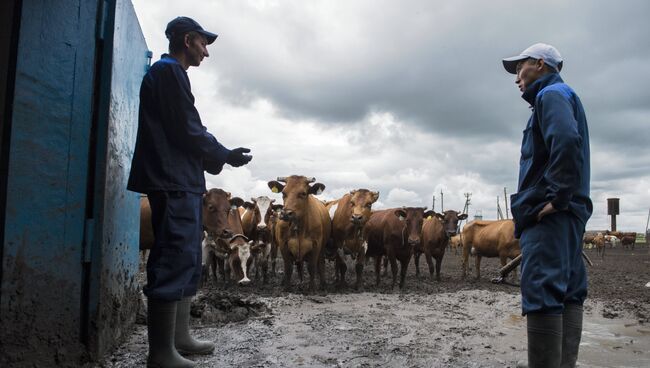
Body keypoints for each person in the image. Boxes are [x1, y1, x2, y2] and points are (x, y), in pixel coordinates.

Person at [127, 16, 252, 368]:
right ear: (187, 40)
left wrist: (212, 159)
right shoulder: (168, 73)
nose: (206, 52)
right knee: (171, 255)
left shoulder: (170, 75)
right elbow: (187, 127)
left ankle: (178, 337)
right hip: (172, 179)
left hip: (180, 178)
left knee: (184, 255)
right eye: (203, 44)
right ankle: (161, 353)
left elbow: (185, 129)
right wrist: (222, 154)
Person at [503, 43, 592, 368]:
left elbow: (566, 140)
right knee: (568, 292)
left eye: (519, 68)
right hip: (570, 220)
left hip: (550, 220)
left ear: (540, 64)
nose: (516, 78)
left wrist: (556, 198)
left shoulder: (550, 95)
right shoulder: (566, 96)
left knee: (542, 290)